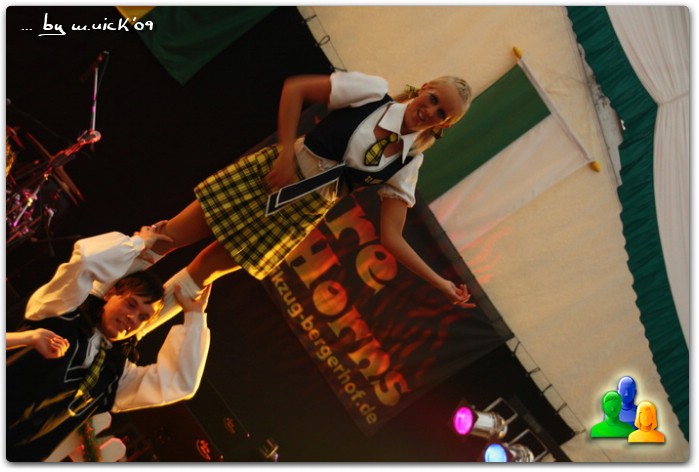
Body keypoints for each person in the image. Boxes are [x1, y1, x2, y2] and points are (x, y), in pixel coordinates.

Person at [122, 71, 477, 335]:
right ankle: (99, 291)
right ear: (423, 88)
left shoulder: (409, 162)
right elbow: (296, 89)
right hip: (271, 173)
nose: (430, 111)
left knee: (203, 271)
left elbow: (392, 237)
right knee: (168, 237)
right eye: (433, 99)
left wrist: (440, 283)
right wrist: (284, 156)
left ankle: (126, 334)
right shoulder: (372, 92)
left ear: (444, 124)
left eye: (441, 113)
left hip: (300, 211)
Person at [6, 227, 212, 462]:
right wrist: (137, 244)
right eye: (130, 304)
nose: (132, 317)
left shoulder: (116, 377)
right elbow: (85, 261)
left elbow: (181, 384)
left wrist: (195, 317)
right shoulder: (59, 313)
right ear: (110, 293)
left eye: (143, 317)